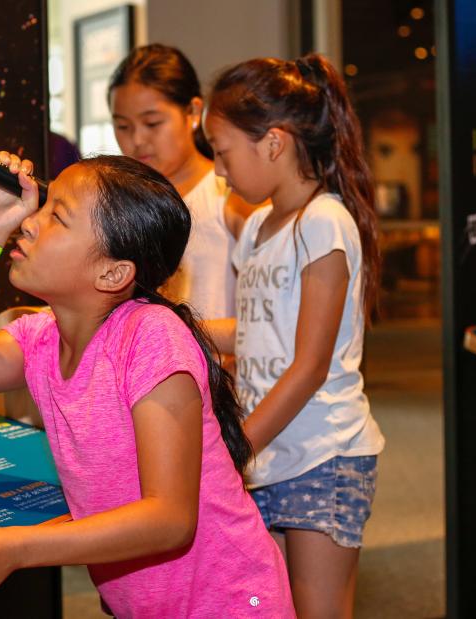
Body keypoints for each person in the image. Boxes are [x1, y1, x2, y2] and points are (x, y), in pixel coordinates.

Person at [0, 151, 294, 617]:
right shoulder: (40, 338)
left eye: (57, 217)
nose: (28, 222)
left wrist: (18, 548)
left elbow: (169, 519)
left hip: (232, 604)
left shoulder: (150, 335)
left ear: (113, 273)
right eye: (42, 206)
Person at [203, 54, 386, 619]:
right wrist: (179, 328)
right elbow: (260, 332)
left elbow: (307, 366)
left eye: (223, 150)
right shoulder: (259, 226)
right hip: (272, 456)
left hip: (323, 456)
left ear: (274, 143)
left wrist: (234, 446)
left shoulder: (324, 221)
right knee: (272, 607)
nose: (218, 170)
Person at [108, 43, 255, 320]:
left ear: (194, 112)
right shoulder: (119, 207)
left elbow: (269, 321)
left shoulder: (230, 193)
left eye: (152, 123)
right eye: (123, 127)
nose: (137, 140)